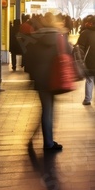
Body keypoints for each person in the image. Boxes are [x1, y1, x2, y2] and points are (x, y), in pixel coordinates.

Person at [23, 13, 68, 150]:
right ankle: (48, 142)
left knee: (46, 109)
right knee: (49, 110)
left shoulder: (33, 38)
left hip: (40, 79)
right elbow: (68, 55)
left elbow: (27, 60)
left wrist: (33, 75)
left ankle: (44, 139)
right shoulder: (60, 38)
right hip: (56, 78)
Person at [76, 15, 95, 105]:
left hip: (89, 60)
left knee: (89, 80)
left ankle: (87, 99)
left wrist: (81, 60)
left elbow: (80, 47)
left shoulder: (85, 33)